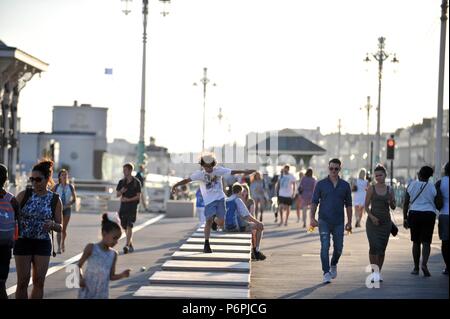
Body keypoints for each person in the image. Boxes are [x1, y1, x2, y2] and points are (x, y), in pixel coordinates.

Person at [171, 153, 255, 253]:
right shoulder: (200, 174)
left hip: (220, 199)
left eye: (210, 167)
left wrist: (245, 171)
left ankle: (215, 221)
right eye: (206, 167)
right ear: (203, 166)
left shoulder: (218, 170)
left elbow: (232, 172)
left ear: (213, 165)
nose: (209, 169)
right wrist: (175, 185)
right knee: (208, 220)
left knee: (221, 222)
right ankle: (206, 244)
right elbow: (187, 180)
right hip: (209, 201)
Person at [14, 160, 63, 299]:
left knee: (39, 282)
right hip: (23, 241)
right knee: (22, 282)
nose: (34, 182)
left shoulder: (54, 199)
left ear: (47, 179)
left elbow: (60, 227)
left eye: (38, 179)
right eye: (32, 179)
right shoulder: (24, 195)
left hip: (42, 243)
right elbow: (10, 216)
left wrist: (52, 225)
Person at [310, 158, 352, 284]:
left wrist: (349, 222)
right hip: (324, 220)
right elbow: (314, 202)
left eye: (336, 168)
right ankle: (326, 272)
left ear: (340, 169)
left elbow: (349, 205)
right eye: (331, 168)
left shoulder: (345, 185)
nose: (333, 171)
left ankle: (333, 264)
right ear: (328, 168)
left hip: (339, 221)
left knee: (339, 248)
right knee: (325, 246)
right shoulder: (321, 184)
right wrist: (312, 218)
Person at [78, 213, 131, 299]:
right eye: (114, 238)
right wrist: (80, 279)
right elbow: (78, 265)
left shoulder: (113, 254)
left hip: (102, 294)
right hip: (87, 293)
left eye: (118, 239)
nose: (116, 242)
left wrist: (122, 275)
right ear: (104, 233)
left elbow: (111, 276)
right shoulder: (91, 248)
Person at [403, 166, 437, 277]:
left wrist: (405, 218)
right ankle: (424, 264)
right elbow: (437, 202)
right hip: (429, 215)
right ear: (429, 177)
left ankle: (416, 267)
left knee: (416, 242)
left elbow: (406, 203)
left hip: (415, 214)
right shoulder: (432, 187)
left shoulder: (412, 185)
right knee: (426, 242)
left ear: (419, 175)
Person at [364, 165, 396, 283]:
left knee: (382, 249)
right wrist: (372, 217)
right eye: (376, 175)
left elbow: (393, 206)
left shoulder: (390, 189)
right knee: (373, 247)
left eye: (380, 175)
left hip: (385, 223)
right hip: (372, 223)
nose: (378, 177)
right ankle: (374, 273)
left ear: (385, 175)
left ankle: (378, 273)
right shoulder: (371, 188)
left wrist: (391, 201)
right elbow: (366, 206)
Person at [224, 183, 266, 260]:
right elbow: (247, 216)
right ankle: (256, 251)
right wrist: (258, 222)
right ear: (239, 191)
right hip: (236, 227)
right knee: (260, 227)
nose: (242, 194)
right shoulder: (238, 200)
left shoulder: (226, 200)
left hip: (226, 227)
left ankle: (255, 251)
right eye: (242, 192)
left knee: (250, 225)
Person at [0, 164, 19, 299]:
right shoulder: (12, 199)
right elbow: (19, 223)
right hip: (5, 245)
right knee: (1, 282)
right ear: (6, 179)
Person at [116, 163, 141, 254]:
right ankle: (130, 244)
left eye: (125, 170)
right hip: (123, 207)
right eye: (123, 170)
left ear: (130, 170)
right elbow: (117, 195)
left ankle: (126, 245)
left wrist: (128, 199)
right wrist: (121, 191)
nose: (123, 172)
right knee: (124, 226)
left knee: (129, 225)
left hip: (132, 207)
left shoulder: (136, 182)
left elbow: (138, 196)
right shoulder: (121, 182)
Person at [52, 169, 77, 254]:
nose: (64, 176)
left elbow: (74, 199)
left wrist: (67, 205)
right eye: (62, 175)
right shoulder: (56, 187)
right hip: (58, 209)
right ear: (59, 177)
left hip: (67, 209)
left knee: (64, 229)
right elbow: (50, 196)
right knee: (59, 228)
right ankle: (59, 247)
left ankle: (63, 243)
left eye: (65, 174)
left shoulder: (70, 187)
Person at [436, 162, 449, 275]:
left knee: (445, 242)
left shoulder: (440, 182)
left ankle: (447, 266)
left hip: (444, 214)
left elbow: (435, 197)